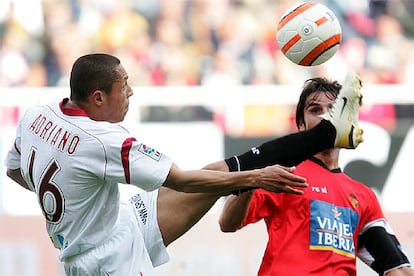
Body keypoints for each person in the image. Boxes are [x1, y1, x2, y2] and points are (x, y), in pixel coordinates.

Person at [4, 53, 310, 275]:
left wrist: (70, 195)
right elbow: (181, 181)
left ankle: (325, 134)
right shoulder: (104, 141)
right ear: (98, 97)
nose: (131, 92)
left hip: (118, 222)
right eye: (123, 86)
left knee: (216, 172)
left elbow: (14, 170)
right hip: (105, 260)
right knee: (206, 180)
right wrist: (255, 179)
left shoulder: (35, 115)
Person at [214, 75, 414, 275]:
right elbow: (228, 223)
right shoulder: (283, 171)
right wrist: (254, 179)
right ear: (301, 126)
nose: (325, 116)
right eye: (315, 110)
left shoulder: (363, 197)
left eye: (334, 110)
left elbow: (397, 268)